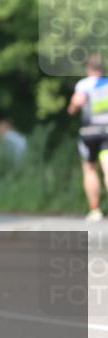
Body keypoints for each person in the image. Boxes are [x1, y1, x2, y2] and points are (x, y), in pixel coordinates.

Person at [67, 54, 108, 221]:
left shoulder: (84, 84)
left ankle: (95, 209)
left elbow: (76, 104)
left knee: (90, 169)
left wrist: (72, 108)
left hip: (90, 132)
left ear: (88, 69)